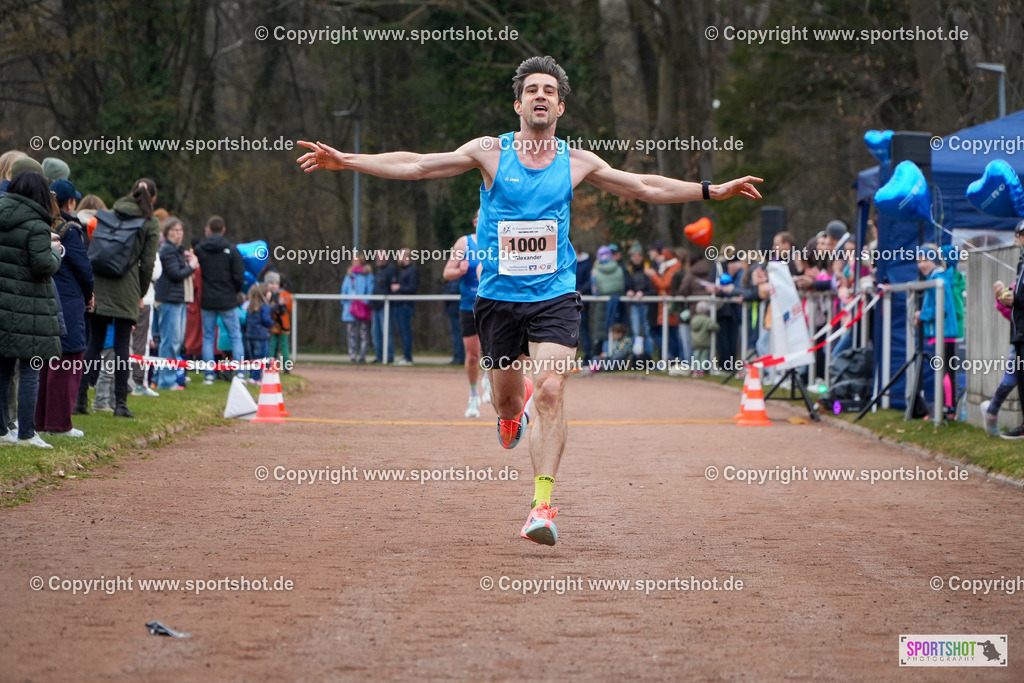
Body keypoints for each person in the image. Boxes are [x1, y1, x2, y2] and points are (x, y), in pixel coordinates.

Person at [297, 55, 762, 545]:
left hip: (554, 295)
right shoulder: (489, 152)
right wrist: (347, 160)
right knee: (507, 400)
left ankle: (542, 505)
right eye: (532, 89)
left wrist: (713, 190)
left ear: (560, 106)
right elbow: (416, 163)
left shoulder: (577, 161)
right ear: (518, 102)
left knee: (550, 390)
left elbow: (644, 185)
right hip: (497, 298)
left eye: (549, 91)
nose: (540, 96)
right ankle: (507, 419)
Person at [82, 178, 160, 419]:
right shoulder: (149, 222)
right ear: (153, 199)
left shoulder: (110, 214)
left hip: (100, 281)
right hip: (126, 286)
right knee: (122, 345)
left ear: (131, 192)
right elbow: (147, 264)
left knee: (93, 342)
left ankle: (79, 400)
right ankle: (120, 404)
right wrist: (140, 292)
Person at [0, 170, 63, 447]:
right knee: (30, 369)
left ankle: (2, 431)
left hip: (3, 306)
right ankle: (26, 433)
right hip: (29, 308)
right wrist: (56, 254)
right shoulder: (37, 226)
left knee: (3, 369)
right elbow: (43, 266)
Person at [35, 179, 93, 436]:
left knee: (44, 364)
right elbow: (84, 269)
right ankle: (59, 425)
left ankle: (40, 421)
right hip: (68, 301)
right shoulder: (70, 229)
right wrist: (90, 295)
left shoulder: (38, 225)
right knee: (68, 362)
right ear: (70, 202)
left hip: (43, 299)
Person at [442, 210, 492, 418]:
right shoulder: (464, 243)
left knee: (494, 352)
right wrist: (460, 271)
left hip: (492, 306)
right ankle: (473, 396)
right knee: (472, 356)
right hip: (468, 305)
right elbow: (447, 273)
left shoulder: (499, 240)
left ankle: (490, 382)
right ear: (474, 222)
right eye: (481, 217)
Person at [195, 215, 245, 384]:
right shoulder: (232, 249)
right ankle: (240, 374)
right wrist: (234, 292)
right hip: (227, 300)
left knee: (208, 337)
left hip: (207, 299)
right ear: (223, 230)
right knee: (235, 336)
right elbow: (239, 276)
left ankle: (209, 375)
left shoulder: (200, 250)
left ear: (208, 229)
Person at [913, 244, 958, 420]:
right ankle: (944, 408)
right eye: (919, 261)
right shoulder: (935, 278)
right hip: (938, 333)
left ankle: (948, 409)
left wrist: (922, 315)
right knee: (943, 370)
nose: (922, 264)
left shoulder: (940, 280)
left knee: (945, 371)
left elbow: (943, 307)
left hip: (944, 333)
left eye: (926, 260)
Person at [154, 217, 198, 390]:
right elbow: (175, 274)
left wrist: (188, 258)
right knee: (170, 342)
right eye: (174, 230)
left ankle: (160, 377)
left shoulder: (178, 250)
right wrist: (193, 266)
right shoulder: (167, 250)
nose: (179, 234)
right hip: (169, 300)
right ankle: (166, 381)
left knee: (176, 342)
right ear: (167, 232)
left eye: (180, 230)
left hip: (178, 299)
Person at [981, 280, 1016, 437]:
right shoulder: (1019, 283)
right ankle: (991, 413)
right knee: (1009, 381)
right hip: (1020, 344)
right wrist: (1000, 297)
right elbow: (1011, 313)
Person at [999, 221, 1024, 439]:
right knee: (1019, 379)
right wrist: (1008, 299)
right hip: (1019, 333)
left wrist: (1016, 298)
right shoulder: (1021, 264)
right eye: (1022, 234)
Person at [341, 256, 374, 363]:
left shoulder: (368, 275)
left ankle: (362, 355)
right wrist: (346, 302)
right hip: (350, 308)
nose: (354, 262)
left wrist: (364, 302)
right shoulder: (349, 276)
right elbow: (344, 291)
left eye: (356, 260)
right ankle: (352, 355)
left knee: (364, 333)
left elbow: (370, 290)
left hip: (363, 308)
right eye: (353, 260)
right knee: (351, 333)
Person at [624, 242, 654, 358]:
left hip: (645, 303)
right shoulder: (628, 269)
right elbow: (626, 285)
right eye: (634, 256)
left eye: (638, 255)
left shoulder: (648, 268)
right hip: (634, 304)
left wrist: (644, 293)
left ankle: (649, 356)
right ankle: (637, 357)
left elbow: (652, 288)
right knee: (636, 330)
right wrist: (629, 291)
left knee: (647, 329)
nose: (636, 258)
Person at [391, 248, 419, 365]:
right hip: (399, 305)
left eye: (399, 256)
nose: (398, 258)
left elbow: (413, 288)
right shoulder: (403, 271)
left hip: (406, 306)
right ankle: (405, 355)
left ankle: (408, 357)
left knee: (406, 331)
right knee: (402, 332)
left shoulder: (412, 271)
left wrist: (399, 288)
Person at [243, 283, 273, 383]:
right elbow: (266, 320)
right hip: (261, 336)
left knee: (252, 358)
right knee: (261, 358)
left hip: (249, 336)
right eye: (269, 292)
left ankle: (252, 376)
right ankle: (257, 378)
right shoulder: (264, 307)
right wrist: (272, 323)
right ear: (263, 294)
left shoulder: (249, 307)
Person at [370, 254, 397, 363]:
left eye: (380, 257)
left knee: (387, 332)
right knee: (375, 333)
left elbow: (393, 288)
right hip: (375, 307)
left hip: (385, 306)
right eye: (376, 257)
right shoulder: (378, 271)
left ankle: (389, 356)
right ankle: (379, 356)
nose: (378, 259)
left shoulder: (391, 270)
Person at [265, 272, 292, 372]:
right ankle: (270, 366)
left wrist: (280, 307)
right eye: (271, 283)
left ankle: (287, 368)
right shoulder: (267, 296)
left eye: (276, 283)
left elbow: (285, 310)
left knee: (284, 346)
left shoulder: (281, 295)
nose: (274, 286)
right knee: (272, 347)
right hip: (273, 326)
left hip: (282, 325)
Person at [690, 301, 720, 377]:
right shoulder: (707, 320)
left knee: (696, 356)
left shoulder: (694, 319)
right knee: (703, 357)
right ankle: (701, 370)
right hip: (704, 342)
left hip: (695, 342)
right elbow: (713, 327)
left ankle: (695, 370)